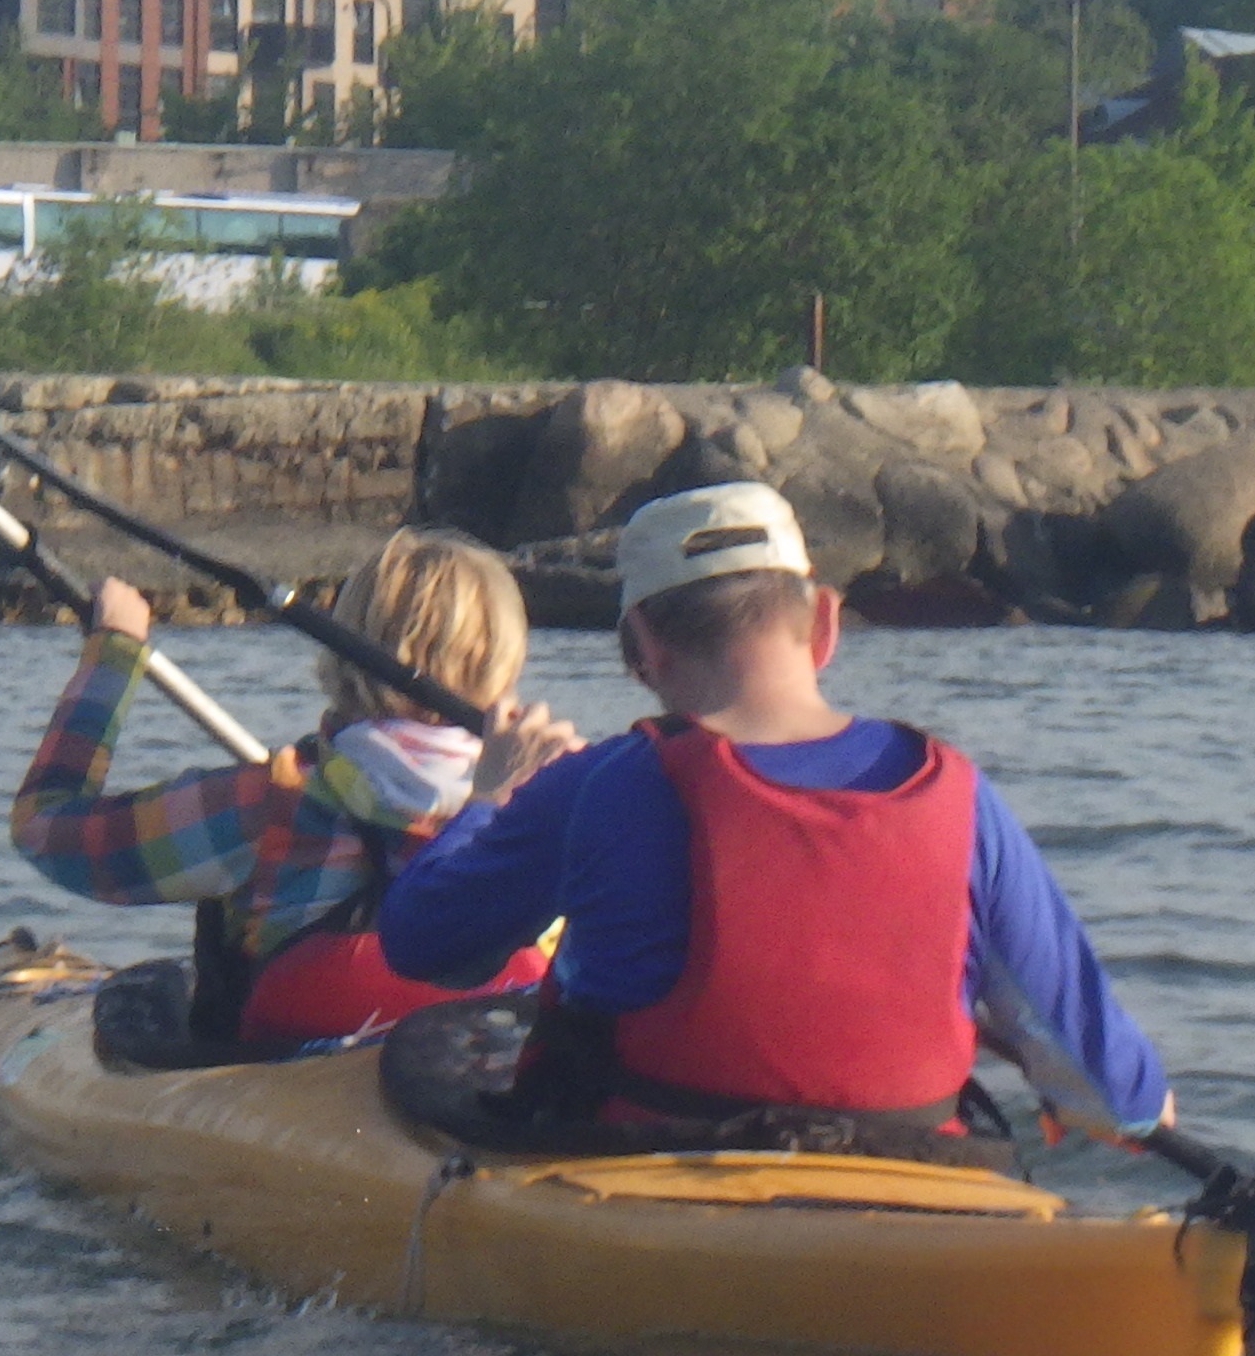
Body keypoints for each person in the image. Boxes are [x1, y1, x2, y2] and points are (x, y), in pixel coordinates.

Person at [378, 485, 1171, 1147]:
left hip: (642, 1182)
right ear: (824, 624)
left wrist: (490, 795)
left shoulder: (597, 786)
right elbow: (1126, 1100)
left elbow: (422, 941)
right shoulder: (963, 799)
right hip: (910, 1196)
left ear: (643, 652)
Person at [10, 526, 551, 1050]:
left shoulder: (268, 803)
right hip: (473, 1087)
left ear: (345, 649)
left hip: (287, 1096)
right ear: (504, 663)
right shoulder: (551, 808)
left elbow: (44, 830)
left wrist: (114, 656)